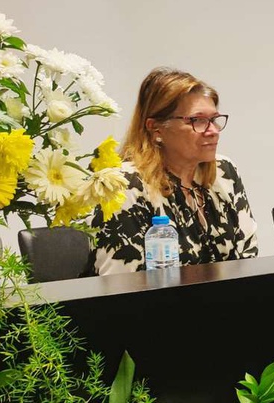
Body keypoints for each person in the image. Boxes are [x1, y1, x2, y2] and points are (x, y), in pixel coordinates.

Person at [91, 67, 258, 273]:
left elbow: (248, 258)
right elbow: (119, 284)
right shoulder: (124, 184)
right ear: (156, 128)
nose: (213, 131)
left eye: (213, 119)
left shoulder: (224, 171)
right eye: (197, 120)